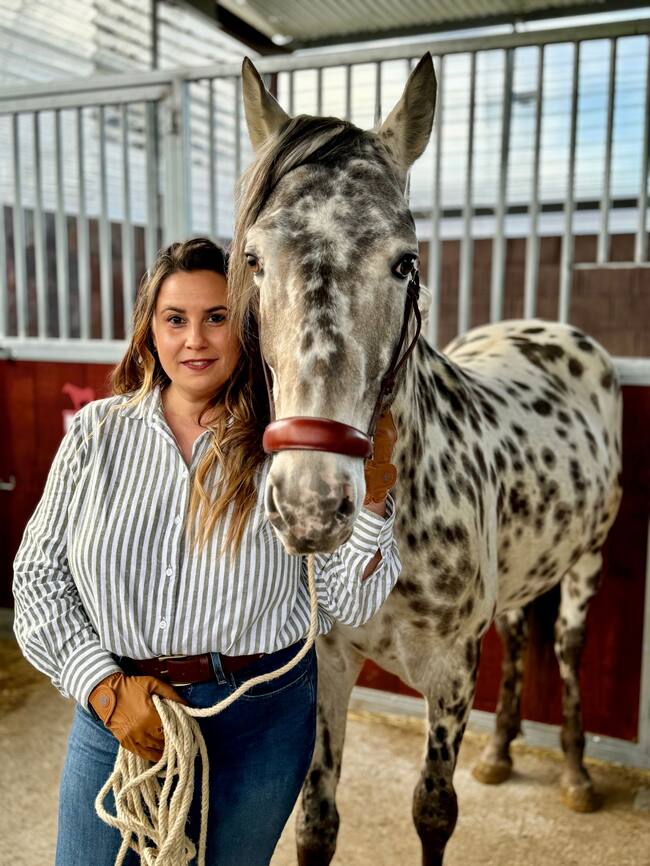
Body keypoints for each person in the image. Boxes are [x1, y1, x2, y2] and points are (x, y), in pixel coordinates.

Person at [12, 237, 401, 866]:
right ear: (150, 332)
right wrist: (105, 689)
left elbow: (347, 600)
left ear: (247, 330)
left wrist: (376, 503)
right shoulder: (96, 434)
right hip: (119, 711)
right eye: (176, 319)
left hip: (260, 717)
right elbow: (36, 578)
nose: (196, 339)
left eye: (217, 318)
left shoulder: (286, 451)